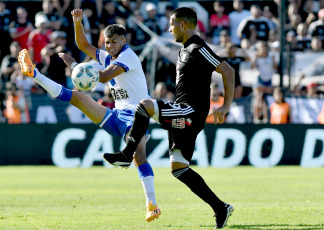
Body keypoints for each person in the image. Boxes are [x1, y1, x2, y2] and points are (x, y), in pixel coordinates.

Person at [17, 9, 161, 222]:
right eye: (107, 42)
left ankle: (151, 204)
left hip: (137, 114)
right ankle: (34, 73)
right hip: (117, 115)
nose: (109, 46)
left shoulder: (128, 56)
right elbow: (84, 45)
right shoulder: (107, 55)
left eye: (114, 42)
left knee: (139, 156)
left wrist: (75, 66)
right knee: (76, 97)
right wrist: (77, 22)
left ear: (123, 41)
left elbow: (103, 78)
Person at [104, 7, 235, 229]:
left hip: (189, 112)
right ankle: (220, 207)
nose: (169, 29)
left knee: (144, 106)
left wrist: (225, 106)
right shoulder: (185, 49)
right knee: (179, 168)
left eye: (172, 24)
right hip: (182, 112)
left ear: (183, 25)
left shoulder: (196, 47)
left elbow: (228, 71)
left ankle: (127, 154)